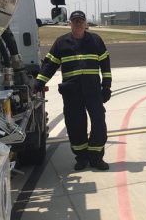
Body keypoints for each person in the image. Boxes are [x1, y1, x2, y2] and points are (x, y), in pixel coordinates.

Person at [34, 10, 112, 171]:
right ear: (70, 23)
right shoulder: (61, 43)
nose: (78, 23)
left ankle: (96, 158)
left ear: (85, 23)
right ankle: (82, 157)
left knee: (98, 122)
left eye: (80, 21)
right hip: (72, 92)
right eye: (75, 21)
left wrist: (106, 86)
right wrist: (39, 83)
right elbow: (50, 65)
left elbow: (105, 65)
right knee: (75, 125)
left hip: (93, 90)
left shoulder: (96, 41)